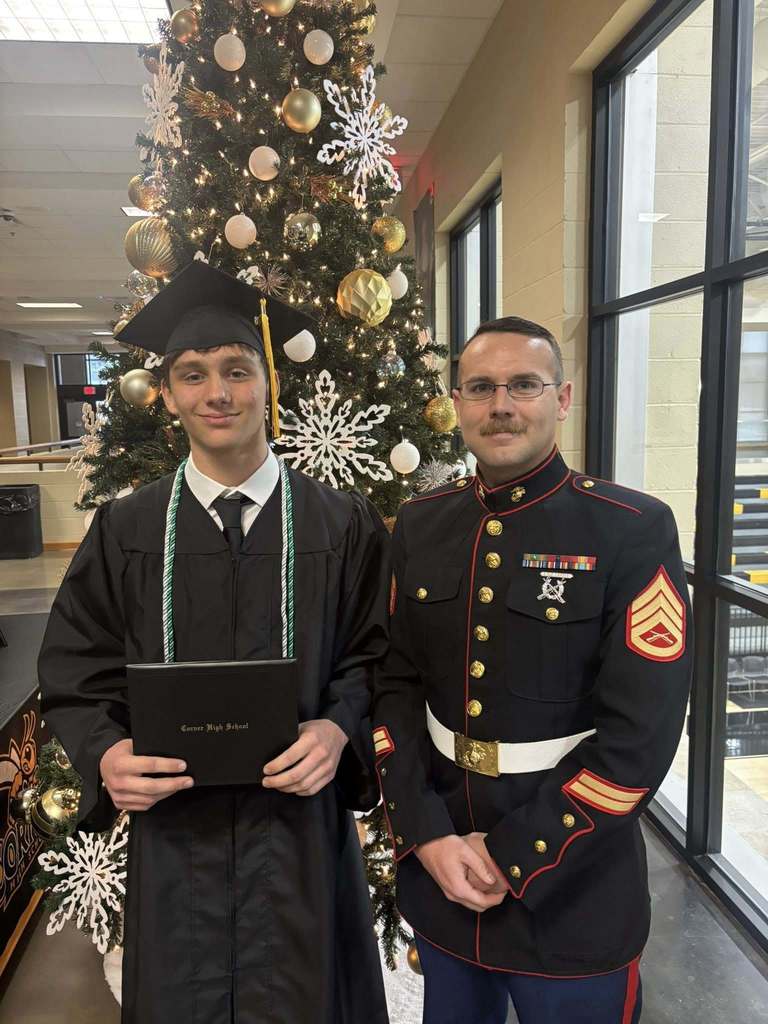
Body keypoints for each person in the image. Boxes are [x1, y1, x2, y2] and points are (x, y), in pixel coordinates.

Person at [38, 261, 390, 1024]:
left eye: (236, 370)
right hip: (178, 838)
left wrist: (336, 730)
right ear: (167, 396)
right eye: (193, 375)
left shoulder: (340, 523)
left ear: (269, 383)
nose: (217, 393)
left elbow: (375, 654)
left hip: (299, 836)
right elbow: (75, 664)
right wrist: (105, 754)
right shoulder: (128, 529)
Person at [372, 315, 693, 1024]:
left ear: (564, 397)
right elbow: (394, 687)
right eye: (481, 387)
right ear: (457, 402)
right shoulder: (421, 523)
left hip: (572, 881)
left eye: (524, 384)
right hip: (445, 871)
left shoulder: (630, 529)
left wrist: (516, 853)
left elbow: (639, 738)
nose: (502, 405)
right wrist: (425, 834)